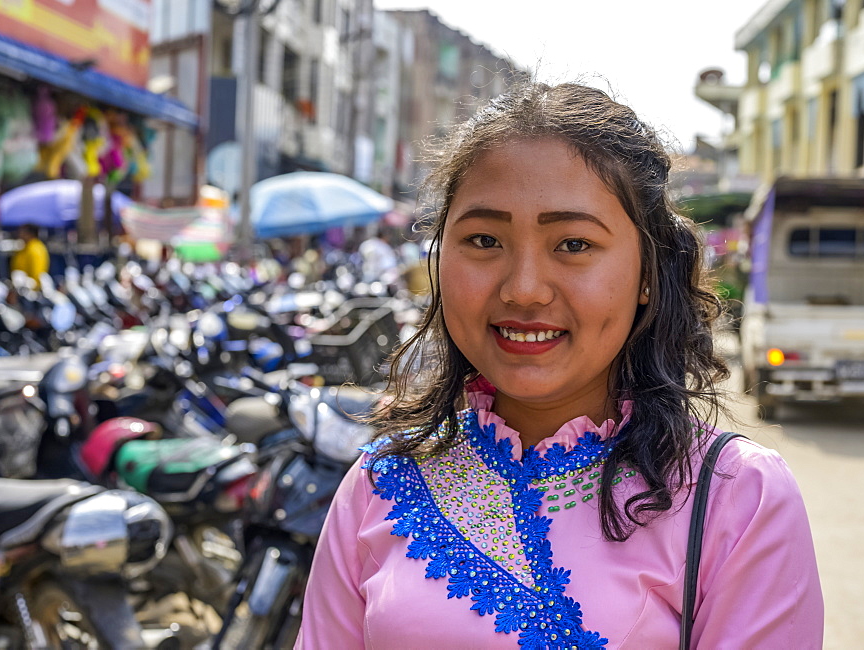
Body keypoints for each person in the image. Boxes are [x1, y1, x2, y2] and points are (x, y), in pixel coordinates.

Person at [295, 82, 824, 648]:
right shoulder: (380, 482)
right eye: (482, 239)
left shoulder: (737, 498)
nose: (523, 290)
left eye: (573, 244)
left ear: (648, 272)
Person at [9, 224, 50, 289]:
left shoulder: (35, 249)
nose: (19, 233)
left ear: (30, 233)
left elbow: (36, 275)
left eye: (22, 231)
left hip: (31, 290)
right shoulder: (24, 247)